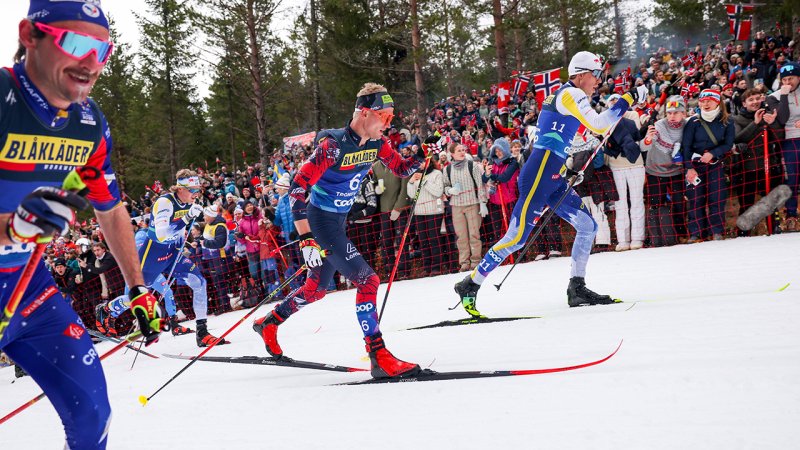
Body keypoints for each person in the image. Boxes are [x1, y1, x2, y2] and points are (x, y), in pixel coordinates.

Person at [0, 2, 163, 448]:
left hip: (28, 291)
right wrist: (11, 228)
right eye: (75, 43)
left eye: (103, 50)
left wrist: (137, 286)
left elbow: (110, 208)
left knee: (93, 416)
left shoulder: (87, 123)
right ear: (29, 35)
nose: (91, 62)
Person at [252, 83, 427, 379]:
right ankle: (378, 354)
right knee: (368, 280)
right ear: (364, 113)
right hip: (320, 222)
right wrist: (306, 239)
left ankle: (269, 322)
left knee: (315, 289)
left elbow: (401, 169)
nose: (388, 123)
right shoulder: (333, 146)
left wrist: (423, 153)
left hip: (338, 222)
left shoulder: (377, 144)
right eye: (384, 116)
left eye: (391, 117)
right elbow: (297, 190)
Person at [454, 51, 648, 315]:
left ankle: (577, 287)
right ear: (581, 74)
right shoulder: (572, 94)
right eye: (596, 75)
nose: (598, 81)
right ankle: (470, 283)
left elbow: (557, 139)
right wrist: (629, 97)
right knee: (517, 237)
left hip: (552, 175)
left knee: (587, 226)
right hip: (539, 175)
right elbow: (600, 125)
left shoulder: (566, 95)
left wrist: (566, 169)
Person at [136, 169, 229, 346]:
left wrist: (185, 244)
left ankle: (202, 332)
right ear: (180, 189)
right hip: (153, 254)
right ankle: (109, 310)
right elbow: (162, 235)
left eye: (198, 190)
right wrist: (187, 217)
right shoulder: (165, 202)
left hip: (173, 254)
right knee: (139, 293)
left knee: (199, 282)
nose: (196, 194)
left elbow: (180, 231)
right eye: (192, 190)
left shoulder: (190, 202)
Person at [682, 89, 735, 242]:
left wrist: (713, 153)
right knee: (695, 199)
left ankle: (717, 231)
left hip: (715, 165)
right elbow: (686, 146)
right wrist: (689, 168)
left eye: (709, 101)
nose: (705, 104)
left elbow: (728, 144)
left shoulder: (727, 121)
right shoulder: (693, 121)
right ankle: (696, 232)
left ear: (717, 102)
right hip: (695, 166)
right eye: (702, 101)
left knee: (716, 197)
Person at [641, 96, 689, 246]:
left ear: (683, 113)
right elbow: (644, 146)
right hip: (655, 170)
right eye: (669, 113)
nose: (672, 116)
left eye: (676, 112)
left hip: (676, 170)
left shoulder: (688, 126)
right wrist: (648, 138)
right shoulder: (659, 125)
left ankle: (681, 233)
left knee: (679, 203)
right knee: (656, 204)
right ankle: (656, 236)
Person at [443, 142, 488, 271]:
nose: (462, 152)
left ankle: (475, 260)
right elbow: (445, 186)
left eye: (463, 150)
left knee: (474, 234)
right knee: (461, 236)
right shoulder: (447, 169)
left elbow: (480, 185)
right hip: (456, 206)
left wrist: (482, 203)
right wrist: (450, 191)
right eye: (459, 150)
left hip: (472, 203)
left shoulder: (472, 165)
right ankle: (464, 262)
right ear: (452, 154)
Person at [768, 63, 800, 231]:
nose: (788, 82)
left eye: (791, 78)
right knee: (791, 179)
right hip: (789, 140)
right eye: (784, 79)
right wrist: (785, 95)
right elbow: (782, 118)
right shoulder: (773, 97)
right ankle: (791, 215)